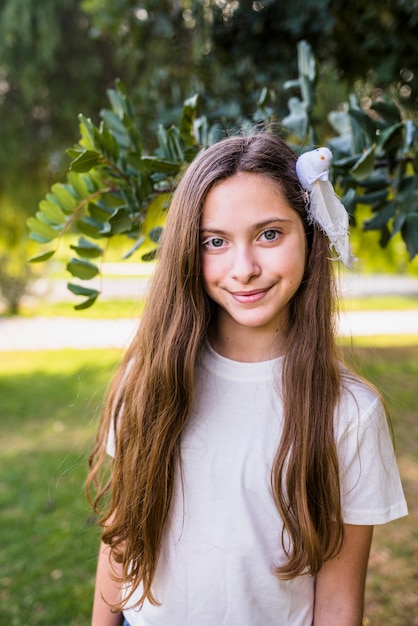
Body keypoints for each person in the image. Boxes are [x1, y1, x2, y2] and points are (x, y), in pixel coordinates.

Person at [87, 132, 408, 626]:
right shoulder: (146, 382)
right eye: (215, 242)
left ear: (310, 232)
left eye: (269, 234)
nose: (244, 269)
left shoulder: (350, 411)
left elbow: (340, 602)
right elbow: (122, 541)